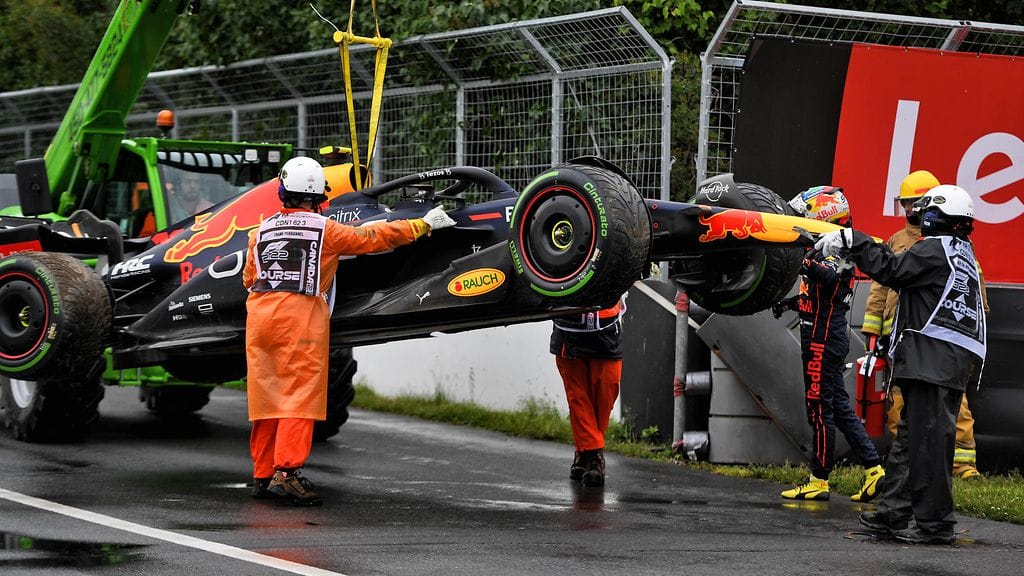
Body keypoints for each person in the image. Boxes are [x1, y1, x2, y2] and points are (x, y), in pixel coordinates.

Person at [243, 156, 455, 506]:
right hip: (300, 317)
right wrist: (422, 225)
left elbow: (249, 279)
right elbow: (373, 237)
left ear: (283, 192)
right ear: (318, 196)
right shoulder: (325, 230)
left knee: (268, 397)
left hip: (260, 318)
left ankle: (263, 475)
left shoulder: (259, 232)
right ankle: (287, 474)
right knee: (298, 397)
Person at [816, 185, 986, 545]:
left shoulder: (935, 250)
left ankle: (936, 525)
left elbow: (892, 269)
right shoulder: (958, 251)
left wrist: (854, 240)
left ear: (937, 214)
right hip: (941, 362)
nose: (917, 215)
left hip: (933, 363)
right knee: (911, 441)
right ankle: (893, 513)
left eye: (924, 209)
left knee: (927, 446)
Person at [861, 170, 987, 480]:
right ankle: (908, 463)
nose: (909, 210)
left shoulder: (955, 245)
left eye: (914, 203)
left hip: (940, 338)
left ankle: (962, 465)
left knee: (954, 408)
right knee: (899, 403)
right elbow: (881, 288)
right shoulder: (898, 241)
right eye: (905, 204)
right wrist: (873, 331)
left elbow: (973, 289)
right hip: (900, 334)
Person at [772, 186, 884, 502]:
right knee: (837, 406)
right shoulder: (827, 245)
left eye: (803, 215)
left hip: (823, 338)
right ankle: (874, 469)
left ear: (822, 213)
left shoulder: (836, 247)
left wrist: (802, 257)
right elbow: (819, 296)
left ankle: (819, 479)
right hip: (823, 331)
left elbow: (831, 279)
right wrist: (790, 303)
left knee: (819, 408)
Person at [551, 295, 626, 487]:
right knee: (578, 396)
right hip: (568, 326)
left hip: (606, 326)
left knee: (606, 391)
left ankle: (584, 451)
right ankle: (594, 457)